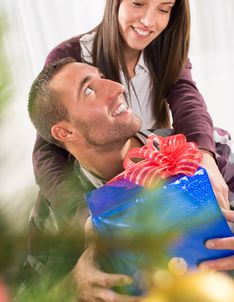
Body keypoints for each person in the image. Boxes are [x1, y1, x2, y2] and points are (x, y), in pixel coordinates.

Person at [32, 0, 230, 238]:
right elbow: (47, 150)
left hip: (154, 174)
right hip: (104, 189)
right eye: (138, 3)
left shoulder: (164, 49)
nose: (149, 21)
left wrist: (203, 156)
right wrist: (82, 217)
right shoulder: (72, 58)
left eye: (164, 9)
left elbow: (188, 100)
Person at [27, 58, 234, 301]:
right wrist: (73, 285)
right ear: (66, 132)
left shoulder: (210, 152)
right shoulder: (53, 214)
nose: (117, 87)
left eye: (103, 76)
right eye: (89, 89)